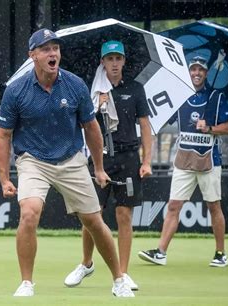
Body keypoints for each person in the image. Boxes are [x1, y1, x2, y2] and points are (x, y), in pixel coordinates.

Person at [0, 28, 134, 298]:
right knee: (29, 213)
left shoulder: (75, 85)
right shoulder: (15, 91)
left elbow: (91, 128)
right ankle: (26, 283)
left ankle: (119, 280)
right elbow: (2, 136)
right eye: (46, 49)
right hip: (32, 159)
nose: (53, 53)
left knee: (93, 221)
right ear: (32, 55)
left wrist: (99, 167)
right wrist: (4, 179)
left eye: (55, 48)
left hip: (71, 158)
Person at [64, 40, 152, 291]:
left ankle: (122, 274)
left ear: (124, 61)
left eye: (118, 58)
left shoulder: (135, 89)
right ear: (102, 62)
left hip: (128, 159)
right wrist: (97, 106)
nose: (114, 63)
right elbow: (82, 125)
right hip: (99, 158)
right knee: (92, 215)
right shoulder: (90, 91)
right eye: (109, 59)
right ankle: (86, 263)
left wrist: (146, 161)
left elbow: (145, 126)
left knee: (124, 215)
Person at [138, 56, 228, 268]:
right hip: (183, 160)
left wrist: (208, 128)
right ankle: (161, 252)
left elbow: (227, 128)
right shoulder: (180, 96)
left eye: (200, 70)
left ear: (207, 73)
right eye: (193, 70)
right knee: (173, 206)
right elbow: (161, 116)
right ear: (188, 73)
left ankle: (220, 253)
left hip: (209, 159)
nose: (196, 73)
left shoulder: (216, 97)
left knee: (214, 206)